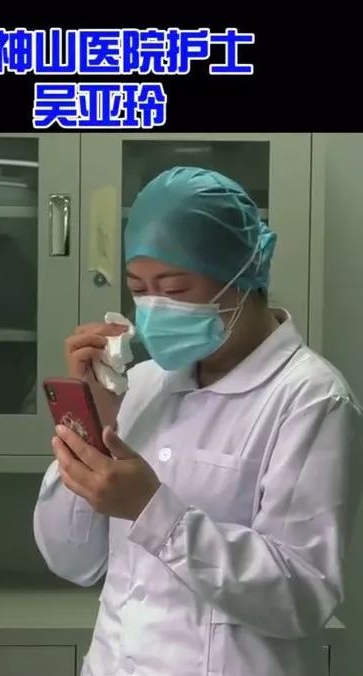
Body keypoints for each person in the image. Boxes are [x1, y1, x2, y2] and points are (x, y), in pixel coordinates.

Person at [33, 166, 363, 676]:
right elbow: (72, 561)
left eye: (175, 288)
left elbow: (301, 596)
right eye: (139, 289)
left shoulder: (311, 399)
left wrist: (153, 512)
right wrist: (91, 426)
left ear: (244, 275)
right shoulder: (141, 384)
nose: (153, 308)